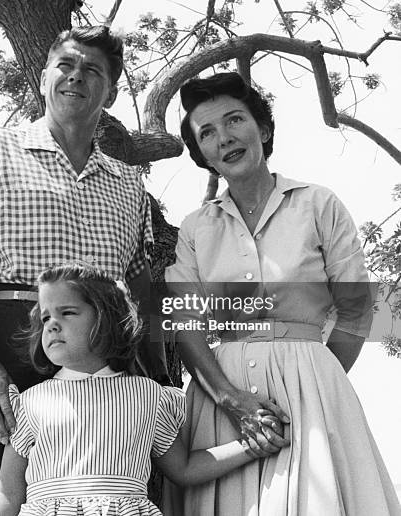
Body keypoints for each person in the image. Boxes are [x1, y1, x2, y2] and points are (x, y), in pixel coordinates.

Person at [0, 26, 169, 516]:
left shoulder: (130, 185)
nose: (76, 77)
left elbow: (140, 292)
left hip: (104, 365)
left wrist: (159, 377)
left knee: (106, 495)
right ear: (43, 78)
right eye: (66, 65)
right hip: (7, 343)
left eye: (92, 71)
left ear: (112, 91)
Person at [163, 72, 401, 515]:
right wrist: (229, 399)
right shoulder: (196, 227)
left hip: (312, 384)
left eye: (235, 120)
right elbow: (185, 324)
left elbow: (359, 308)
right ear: (201, 154)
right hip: (220, 396)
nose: (224, 138)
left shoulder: (319, 203)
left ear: (264, 129)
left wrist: (316, 378)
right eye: (207, 133)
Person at [0, 262, 281, 516]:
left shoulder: (149, 397)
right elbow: (8, 493)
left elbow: (185, 468)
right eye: (46, 317)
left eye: (67, 312)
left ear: (106, 320)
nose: (51, 325)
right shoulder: (29, 403)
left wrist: (250, 446)